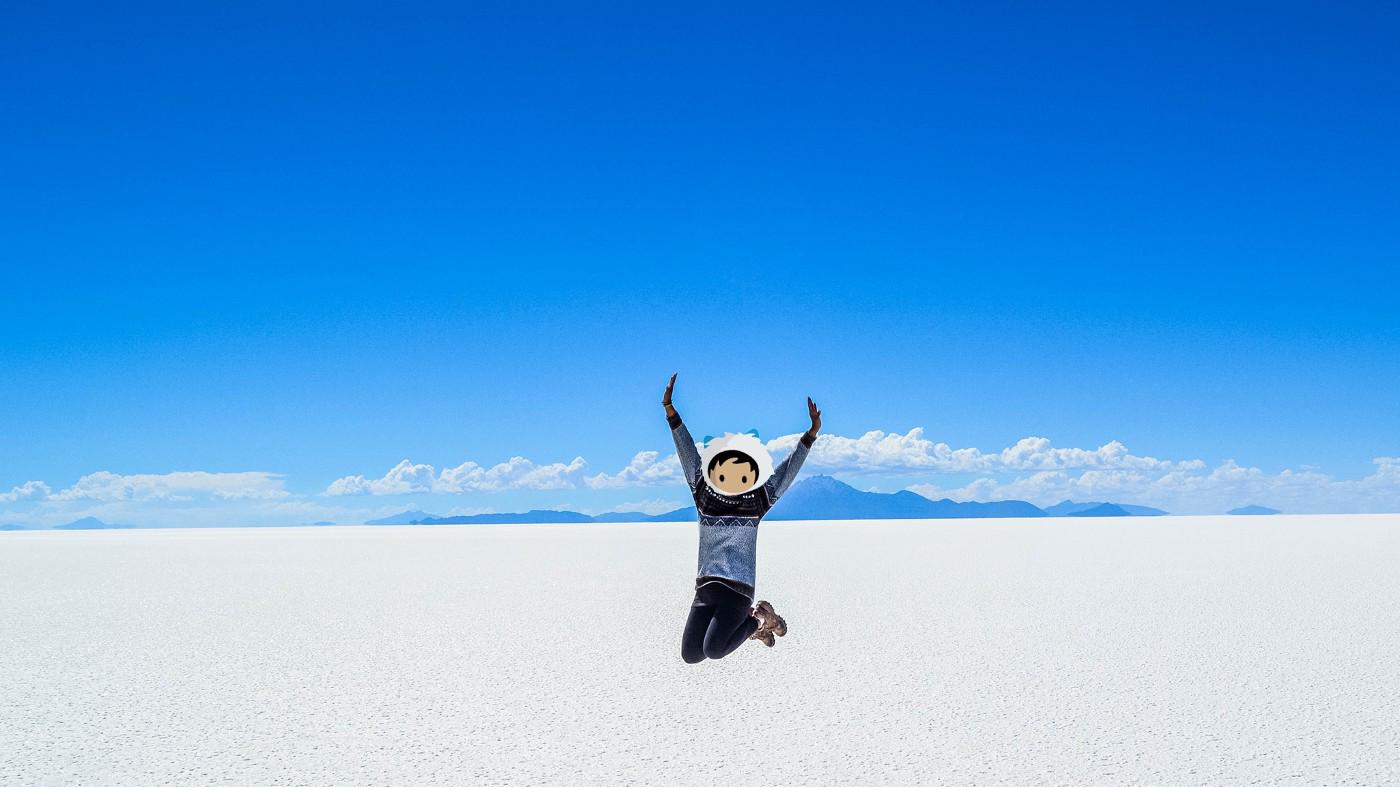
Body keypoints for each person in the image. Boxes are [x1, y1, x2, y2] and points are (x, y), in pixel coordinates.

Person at [662, 373, 821, 664]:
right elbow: (688, 454)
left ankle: (761, 620)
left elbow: (785, 474)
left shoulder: (755, 503)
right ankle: (753, 625)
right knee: (691, 655)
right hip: (706, 587)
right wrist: (671, 412)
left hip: (738, 590)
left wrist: (809, 436)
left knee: (714, 649)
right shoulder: (704, 495)